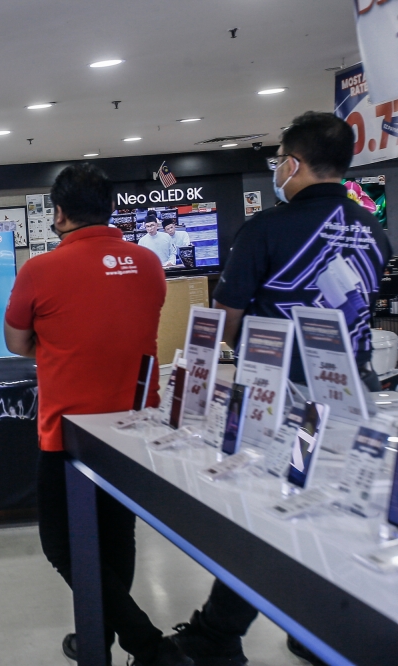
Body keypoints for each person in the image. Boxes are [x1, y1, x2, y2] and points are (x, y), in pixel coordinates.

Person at [170, 112, 392, 666]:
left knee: (268, 513)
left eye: (278, 162)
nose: (277, 172)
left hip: (288, 400)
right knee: (339, 510)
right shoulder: (374, 230)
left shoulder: (266, 229)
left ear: (292, 164)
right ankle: (319, 625)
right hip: (353, 391)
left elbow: (228, 318)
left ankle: (219, 634)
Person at [4, 164, 190, 666]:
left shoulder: (39, 270)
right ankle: (98, 638)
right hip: (134, 426)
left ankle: (146, 646)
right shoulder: (149, 263)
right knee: (116, 537)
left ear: (57, 214)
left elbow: (17, 341)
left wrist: (59, 342)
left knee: (62, 544)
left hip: (67, 432)